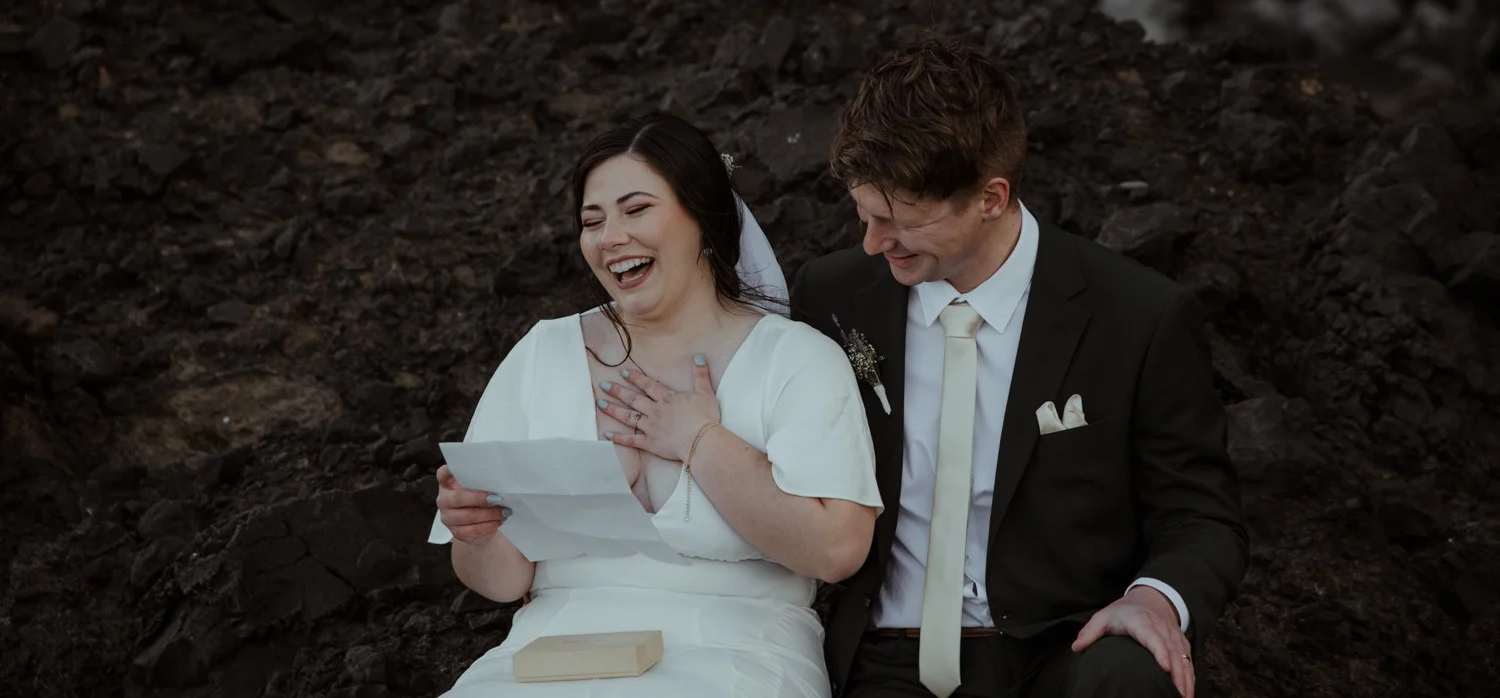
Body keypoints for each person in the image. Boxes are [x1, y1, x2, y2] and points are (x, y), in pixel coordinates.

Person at [789, 39, 1249, 698]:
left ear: (991, 198)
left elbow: (1200, 515)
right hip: (885, 652)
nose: (871, 243)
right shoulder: (832, 297)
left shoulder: (1138, 316)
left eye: (897, 222)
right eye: (863, 214)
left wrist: (1153, 600)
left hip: (1057, 651)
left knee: (1133, 674)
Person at [429, 112, 883, 697]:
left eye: (636, 209)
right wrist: (477, 533)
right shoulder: (542, 354)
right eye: (592, 221)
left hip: (737, 650)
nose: (609, 236)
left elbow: (837, 551)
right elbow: (500, 580)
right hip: (549, 653)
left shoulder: (795, 359)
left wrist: (700, 443)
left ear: (703, 217)